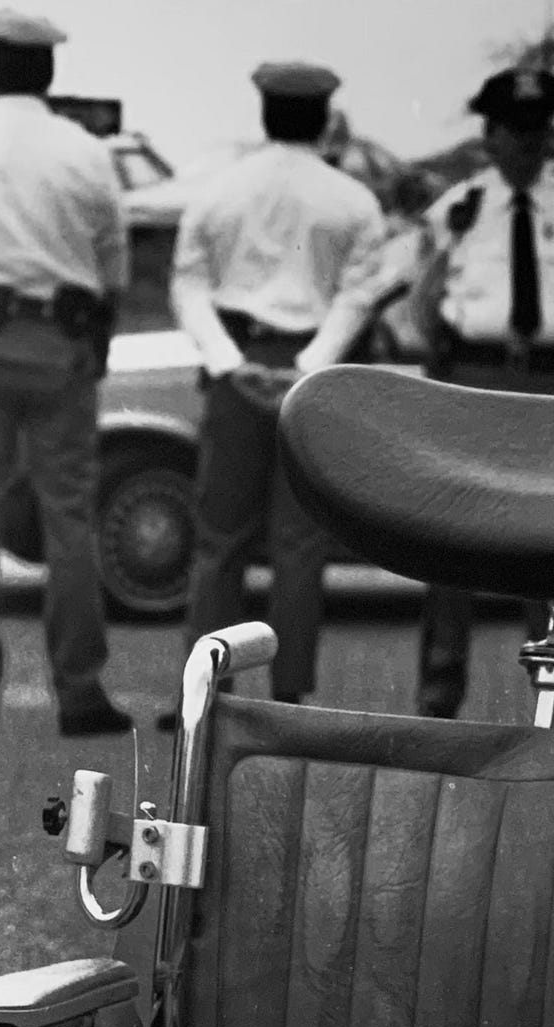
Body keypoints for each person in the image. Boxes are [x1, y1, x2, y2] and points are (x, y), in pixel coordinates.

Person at [0, 10, 132, 740]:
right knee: (69, 517)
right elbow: (113, 265)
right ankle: (78, 693)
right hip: (58, 346)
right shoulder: (86, 155)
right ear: (49, 73)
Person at [167, 62, 387, 716]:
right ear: (323, 119)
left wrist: (229, 359)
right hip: (309, 375)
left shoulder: (219, 190)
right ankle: (288, 696)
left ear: (264, 115)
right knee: (298, 542)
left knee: (220, 538)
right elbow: (360, 292)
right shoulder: (353, 200)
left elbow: (187, 281)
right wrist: (311, 361)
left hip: (238, 368)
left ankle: (204, 692)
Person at [406, 68, 554, 719]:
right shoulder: (455, 212)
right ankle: (439, 696)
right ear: (490, 136)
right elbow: (422, 305)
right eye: (514, 130)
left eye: (538, 130)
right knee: (453, 541)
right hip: (473, 378)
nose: (528, 142)